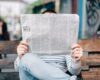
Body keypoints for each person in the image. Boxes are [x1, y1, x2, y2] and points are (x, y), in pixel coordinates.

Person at [14, 10, 83, 80]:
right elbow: (18, 68)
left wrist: (76, 61)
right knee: (26, 58)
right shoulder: (29, 41)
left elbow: (75, 72)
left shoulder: (65, 43)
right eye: (45, 21)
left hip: (58, 75)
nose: (48, 24)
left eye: (52, 21)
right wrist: (20, 57)